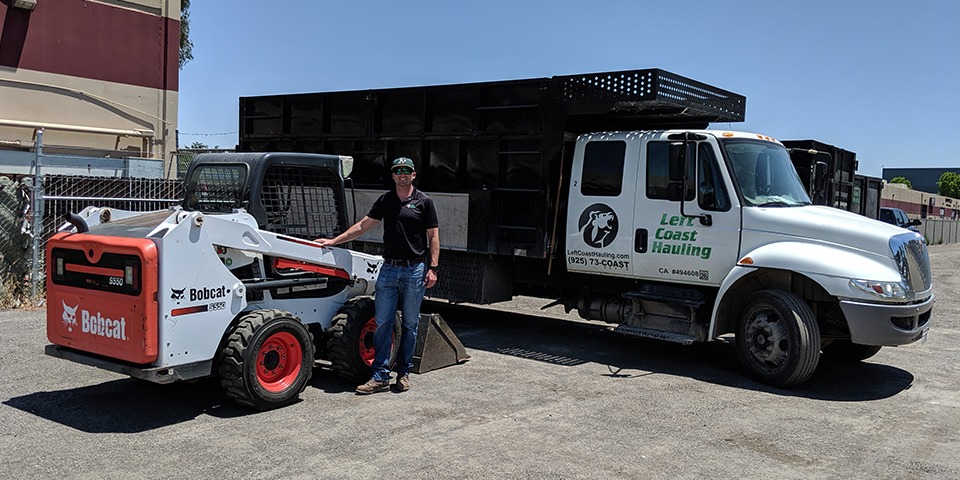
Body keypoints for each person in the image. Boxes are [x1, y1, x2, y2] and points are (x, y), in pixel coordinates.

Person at [317, 157, 439, 394]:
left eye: (407, 171)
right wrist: (334, 241)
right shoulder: (386, 200)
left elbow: (433, 236)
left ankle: (403, 373)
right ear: (393, 176)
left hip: (415, 270)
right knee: (383, 322)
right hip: (389, 270)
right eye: (398, 171)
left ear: (413, 175)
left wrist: (433, 268)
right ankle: (381, 375)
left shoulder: (424, 202)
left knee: (411, 323)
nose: (402, 175)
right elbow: (363, 225)